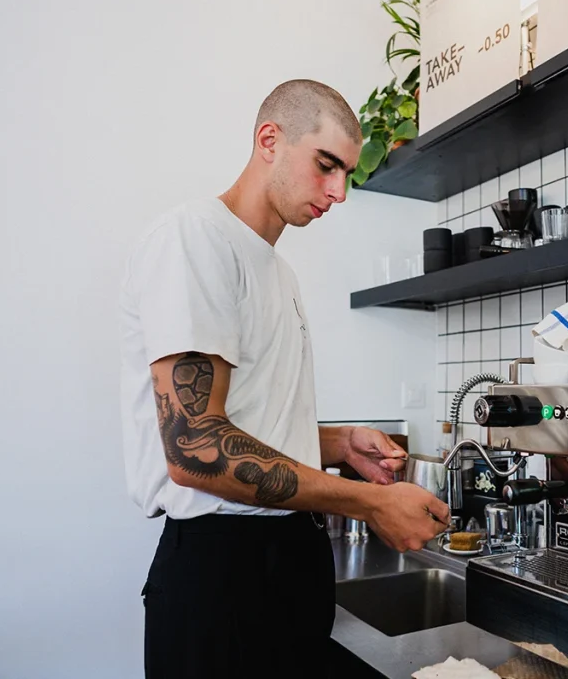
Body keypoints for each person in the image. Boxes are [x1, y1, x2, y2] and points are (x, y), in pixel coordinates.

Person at [118, 79, 451, 678]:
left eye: (347, 173)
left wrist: (340, 442)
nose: (339, 192)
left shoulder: (279, 272)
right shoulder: (196, 239)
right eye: (327, 165)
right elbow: (197, 450)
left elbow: (243, 417)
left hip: (287, 561)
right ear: (269, 139)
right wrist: (371, 503)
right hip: (223, 574)